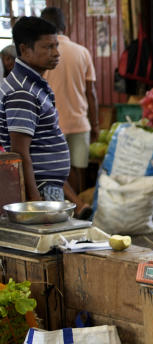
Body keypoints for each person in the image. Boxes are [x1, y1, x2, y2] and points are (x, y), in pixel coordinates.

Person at [0, 17, 72, 202]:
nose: (56, 53)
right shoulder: (22, 91)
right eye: (48, 47)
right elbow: (20, 151)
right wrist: (34, 200)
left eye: (56, 45)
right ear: (24, 49)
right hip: (39, 190)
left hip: (45, 186)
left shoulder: (33, 84)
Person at [40, 7, 98, 194]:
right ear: (66, 26)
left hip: (52, 124)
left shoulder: (42, 55)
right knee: (78, 171)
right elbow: (91, 93)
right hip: (80, 122)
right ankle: (79, 213)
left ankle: (69, 210)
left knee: (57, 172)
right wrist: (95, 123)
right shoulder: (82, 52)